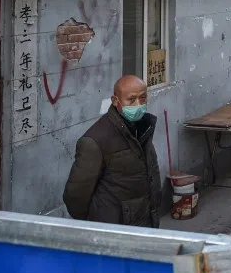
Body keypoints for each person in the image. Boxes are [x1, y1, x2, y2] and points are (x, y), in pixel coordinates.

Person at [63, 75, 162, 227]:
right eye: (132, 99)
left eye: (143, 98)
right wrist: (98, 220)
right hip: (114, 227)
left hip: (144, 220)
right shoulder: (95, 141)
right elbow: (76, 196)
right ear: (116, 101)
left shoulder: (142, 127)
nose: (138, 104)